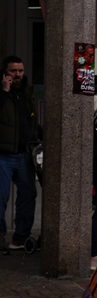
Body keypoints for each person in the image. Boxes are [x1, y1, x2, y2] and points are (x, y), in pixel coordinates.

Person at [1, 55, 38, 251]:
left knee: (28, 194)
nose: (17, 75)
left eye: (20, 71)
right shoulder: (3, 92)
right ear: (5, 73)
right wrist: (4, 92)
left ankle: (20, 237)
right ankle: (0, 238)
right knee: (1, 196)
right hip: (3, 154)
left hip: (24, 153)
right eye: (13, 71)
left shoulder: (27, 93)